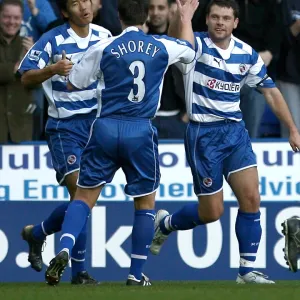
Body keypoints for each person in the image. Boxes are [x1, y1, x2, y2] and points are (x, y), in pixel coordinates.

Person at [44, 0, 198, 287]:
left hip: (104, 127)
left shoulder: (103, 46)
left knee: (83, 198)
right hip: (140, 129)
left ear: (119, 16)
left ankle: (64, 247)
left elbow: (73, 84)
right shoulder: (162, 46)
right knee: (145, 205)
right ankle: (135, 274)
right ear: (148, 17)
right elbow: (189, 52)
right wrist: (185, 17)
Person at [150, 0, 300, 284]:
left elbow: (270, 92)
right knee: (212, 212)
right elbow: (176, 43)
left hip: (234, 133)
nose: (220, 22)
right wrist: (183, 18)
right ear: (206, 20)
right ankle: (166, 223)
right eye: (215, 17)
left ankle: (246, 272)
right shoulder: (195, 46)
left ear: (235, 23)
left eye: (226, 18)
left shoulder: (246, 54)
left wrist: (293, 128)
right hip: (203, 136)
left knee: (252, 198)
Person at [18, 0, 111, 285]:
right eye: (74, 3)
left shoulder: (105, 37)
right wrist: (53, 69)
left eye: (86, 0)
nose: (83, 7)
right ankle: (79, 272)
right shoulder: (52, 39)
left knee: (82, 201)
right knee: (81, 194)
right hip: (64, 127)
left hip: (96, 125)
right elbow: (25, 77)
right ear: (64, 12)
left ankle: (37, 234)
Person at [148, 0, 187, 139]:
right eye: (151, 8)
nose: (155, 12)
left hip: (176, 118)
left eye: (160, 8)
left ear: (170, 9)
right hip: (146, 119)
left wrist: (188, 113)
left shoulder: (180, 40)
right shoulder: (139, 40)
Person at [0, 0, 35, 144]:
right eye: (7, 17)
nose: (11, 22)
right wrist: (19, 65)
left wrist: (33, 61)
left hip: (21, 128)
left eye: (16, 18)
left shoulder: (28, 46)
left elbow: (37, 84)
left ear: (22, 19)